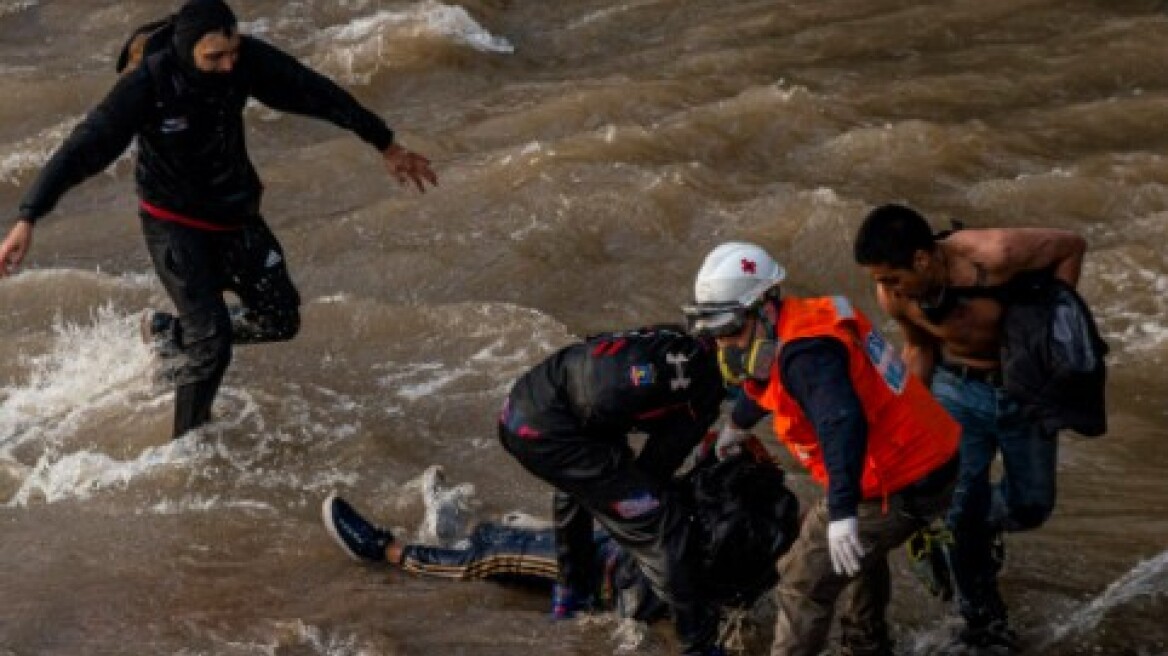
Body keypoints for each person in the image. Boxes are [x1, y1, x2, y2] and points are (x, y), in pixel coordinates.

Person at [0, 0, 437, 439]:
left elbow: (317, 94)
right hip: (174, 224)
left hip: (235, 217)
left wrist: (387, 145)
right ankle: (186, 448)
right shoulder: (148, 85)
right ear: (187, 49)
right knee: (212, 343)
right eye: (215, 57)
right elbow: (81, 150)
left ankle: (169, 334)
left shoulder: (245, 61)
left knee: (279, 318)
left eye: (233, 52)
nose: (229, 65)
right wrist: (28, 217)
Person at [682, 242, 959, 656]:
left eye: (732, 330)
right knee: (855, 552)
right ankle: (866, 642)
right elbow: (765, 378)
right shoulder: (798, 323)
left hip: (899, 477)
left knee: (801, 581)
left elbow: (841, 423)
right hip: (931, 456)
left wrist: (844, 512)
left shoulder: (808, 357)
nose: (727, 346)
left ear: (764, 306)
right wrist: (736, 427)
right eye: (715, 333)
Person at [852, 204, 1088, 651]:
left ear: (922, 259)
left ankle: (978, 532)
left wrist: (1053, 322)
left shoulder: (996, 255)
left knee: (1031, 505)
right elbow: (919, 349)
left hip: (1024, 390)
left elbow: (1072, 246)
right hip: (956, 392)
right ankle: (983, 622)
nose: (885, 290)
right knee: (960, 513)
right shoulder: (898, 297)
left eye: (890, 278)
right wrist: (902, 425)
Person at [320, 434, 800, 628]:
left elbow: (679, 529)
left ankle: (385, 550)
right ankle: (455, 528)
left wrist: (707, 460)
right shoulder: (777, 511)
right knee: (519, 538)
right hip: (631, 555)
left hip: (618, 572)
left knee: (492, 556)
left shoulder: (734, 514)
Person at [496, 325, 729, 656]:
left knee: (582, 484)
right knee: (664, 524)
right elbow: (654, 471)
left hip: (525, 405)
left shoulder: (670, 338)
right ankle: (699, 645)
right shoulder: (704, 392)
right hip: (552, 431)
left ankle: (570, 596)